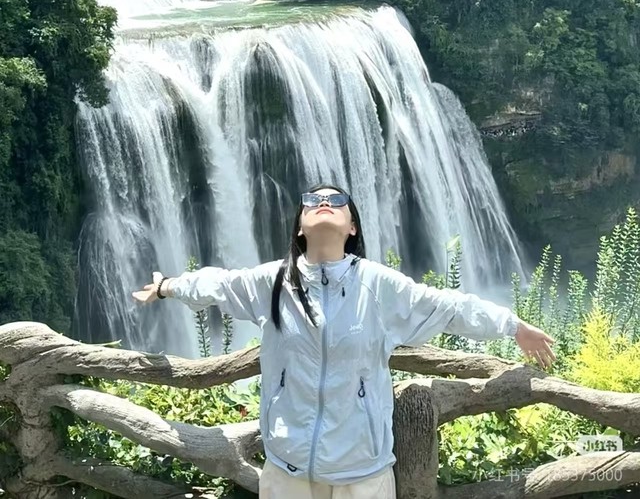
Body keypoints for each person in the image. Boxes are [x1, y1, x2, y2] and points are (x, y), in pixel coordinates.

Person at [133, 183, 556, 499]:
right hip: (288, 467)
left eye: (336, 200)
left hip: (362, 471)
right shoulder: (274, 283)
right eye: (312, 200)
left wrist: (512, 325)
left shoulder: (377, 285)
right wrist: (168, 286)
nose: (323, 202)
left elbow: (447, 306)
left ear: (352, 226)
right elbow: (218, 284)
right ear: (300, 227)